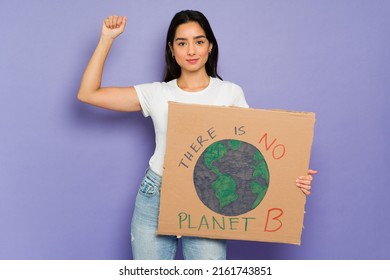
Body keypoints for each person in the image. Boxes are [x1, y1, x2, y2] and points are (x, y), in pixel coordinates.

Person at [77, 10, 318, 260]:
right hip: (156, 195)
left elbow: (252, 153)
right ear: (172, 49)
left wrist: (292, 177)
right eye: (182, 43)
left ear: (210, 46)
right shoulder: (156, 93)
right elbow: (88, 94)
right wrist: (107, 38)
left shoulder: (230, 93)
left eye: (199, 41)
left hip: (208, 196)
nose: (191, 51)